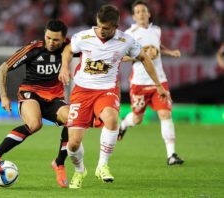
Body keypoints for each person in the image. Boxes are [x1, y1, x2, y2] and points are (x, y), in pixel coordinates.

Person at [59, 4, 168, 189]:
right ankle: (80, 171)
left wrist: (158, 85)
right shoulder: (84, 36)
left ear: (115, 27)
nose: (101, 31)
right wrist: (63, 66)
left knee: (112, 119)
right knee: (73, 144)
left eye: (106, 28)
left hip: (106, 90)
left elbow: (145, 58)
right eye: (99, 26)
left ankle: (102, 165)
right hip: (82, 91)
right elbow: (68, 50)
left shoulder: (126, 40)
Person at [0, 20, 70, 188]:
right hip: (30, 93)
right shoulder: (33, 49)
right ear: (44, 34)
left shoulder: (71, 48)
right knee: (34, 124)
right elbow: (2, 68)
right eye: (48, 38)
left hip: (54, 99)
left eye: (56, 40)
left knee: (72, 120)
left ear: (64, 39)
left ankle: (59, 163)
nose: (51, 43)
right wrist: (4, 97)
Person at [118, 0, 184, 166]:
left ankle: (171, 155)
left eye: (143, 11)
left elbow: (157, 47)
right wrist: (141, 56)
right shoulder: (129, 33)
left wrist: (169, 52)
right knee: (138, 119)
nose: (141, 14)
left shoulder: (156, 30)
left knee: (165, 114)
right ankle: (124, 123)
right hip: (139, 83)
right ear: (133, 16)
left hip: (159, 81)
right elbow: (121, 57)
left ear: (149, 14)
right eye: (138, 12)